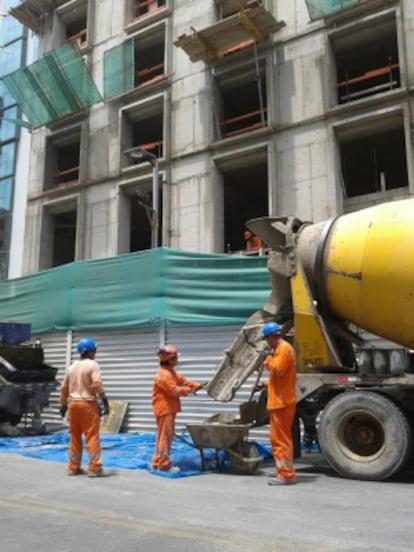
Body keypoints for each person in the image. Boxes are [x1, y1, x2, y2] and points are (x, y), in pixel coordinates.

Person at [59, 337, 110, 477]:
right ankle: (94, 468)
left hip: (73, 405)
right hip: (88, 404)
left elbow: (64, 387)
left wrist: (63, 405)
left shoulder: (71, 367)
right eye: (94, 350)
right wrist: (105, 401)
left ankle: (73, 467)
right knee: (92, 436)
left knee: (75, 436)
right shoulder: (92, 365)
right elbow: (97, 384)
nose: (95, 353)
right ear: (89, 351)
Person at [151, 344, 201, 472]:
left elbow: (183, 381)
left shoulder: (171, 372)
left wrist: (197, 386)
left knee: (163, 435)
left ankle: (157, 461)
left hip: (168, 408)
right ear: (169, 359)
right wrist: (189, 390)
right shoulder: (163, 375)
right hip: (165, 409)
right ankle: (164, 464)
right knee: (165, 436)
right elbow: (173, 391)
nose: (177, 360)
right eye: (175, 358)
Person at [261, 321, 297, 485]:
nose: (266, 342)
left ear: (271, 337)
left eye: (266, 339)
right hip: (280, 399)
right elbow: (280, 377)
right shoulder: (281, 349)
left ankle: (286, 475)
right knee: (277, 439)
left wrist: (267, 359)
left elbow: (278, 370)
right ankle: (281, 471)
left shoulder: (282, 349)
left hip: (282, 402)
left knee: (281, 440)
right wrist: (267, 384)